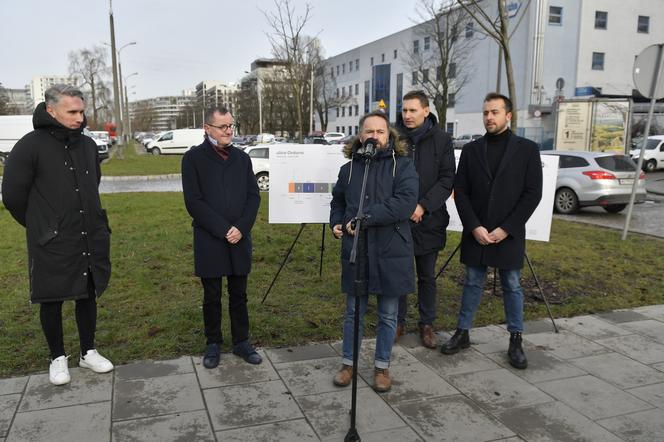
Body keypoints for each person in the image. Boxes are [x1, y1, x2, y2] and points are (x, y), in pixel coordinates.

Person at [2, 84, 114, 386]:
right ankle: (57, 357)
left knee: (87, 293)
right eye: (72, 112)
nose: (80, 117)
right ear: (51, 111)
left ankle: (87, 351)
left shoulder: (88, 146)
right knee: (51, 298)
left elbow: (94, 184)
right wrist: (41, 224)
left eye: (82, 111)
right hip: (51, 239)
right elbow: (12, 195)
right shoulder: (30, 145)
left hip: (88, 234)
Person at [440, 93, 542, 369]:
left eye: (494, 112)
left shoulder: (527, 150)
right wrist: (474, 227)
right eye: (486, 112)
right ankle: (462, 333)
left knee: (512, 285)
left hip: (508, 232)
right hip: (478, 231)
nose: (489, 117)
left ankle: (516, 339)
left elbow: (532, 194)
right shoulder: (472, 150)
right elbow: (461, 191)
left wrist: (506, 229)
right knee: (472, 281)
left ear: (508, 115)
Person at [330, 110, 418, 392]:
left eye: (380, 131)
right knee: (353, 312)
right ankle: (348, 363)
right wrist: (338, 223)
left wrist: (364, 217)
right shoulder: (349, 169)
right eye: (369, 131)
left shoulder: (402, 165)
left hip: (392, 250)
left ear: (389, 135)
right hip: (358, 249)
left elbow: (404, 203)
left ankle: (382, 367)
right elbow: (339, 202)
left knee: (388, 313)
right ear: (360, 135)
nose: (374, 136)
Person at [181, 106, 262, 368]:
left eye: (231, 126)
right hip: (210, 238)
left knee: (239, 294)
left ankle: (241, 341)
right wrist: (223, 229)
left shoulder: (242, 158)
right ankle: (213, 342)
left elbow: (253, 196)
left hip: (240, 237)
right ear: (207, 129)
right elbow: (194, 201)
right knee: (212, 296)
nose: (229, 131)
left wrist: (242, 227)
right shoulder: (193, 159)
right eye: (223, 127)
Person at [395, 90, 455, 348]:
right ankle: (397, 322)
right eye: (404, 110)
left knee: (427, 276)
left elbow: (447, 179)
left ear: (425, 111)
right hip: (399, 220)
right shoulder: (394, 137)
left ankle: (426, 324)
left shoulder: (442, 140)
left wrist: (423, 206)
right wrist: (402, 207)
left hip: (430, 220)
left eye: (412, 110)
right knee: (399, 273)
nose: (407, 115)